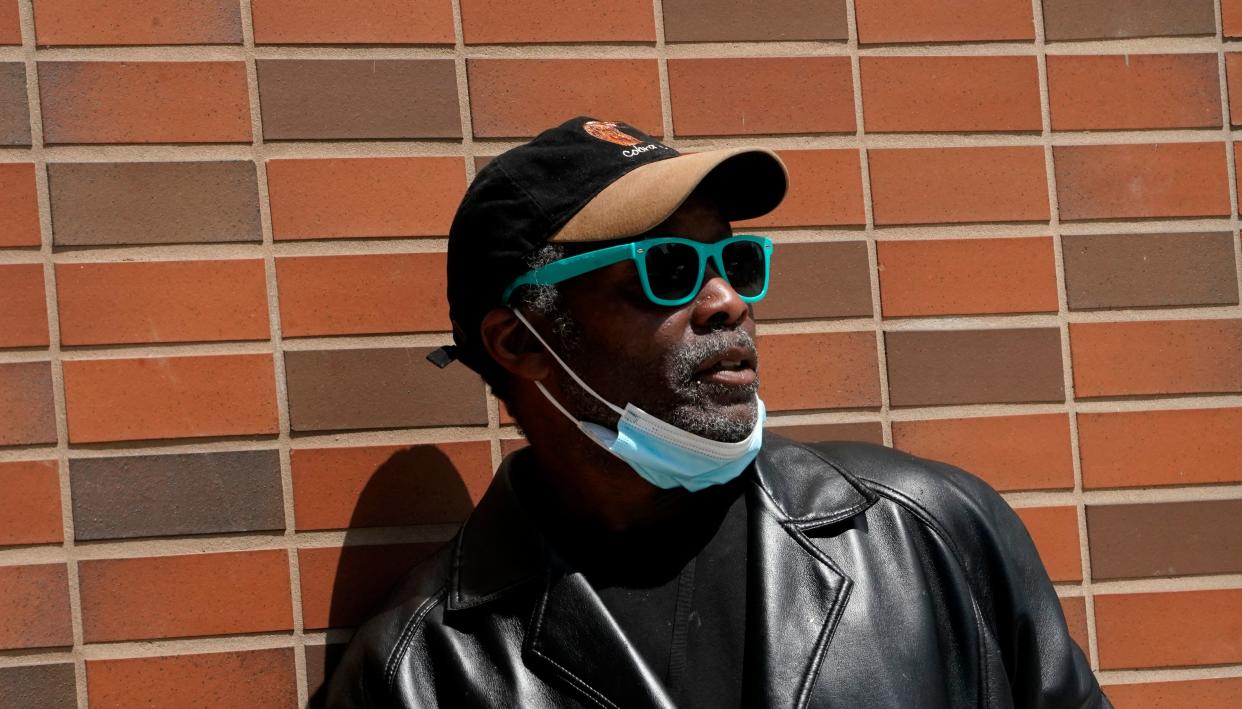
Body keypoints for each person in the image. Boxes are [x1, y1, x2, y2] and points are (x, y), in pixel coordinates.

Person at [325, 117, 1111, 708]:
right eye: (667, 268)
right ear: (521, 339)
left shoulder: (929, 530)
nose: (728, 301)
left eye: (732, 260)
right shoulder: (420, 674)